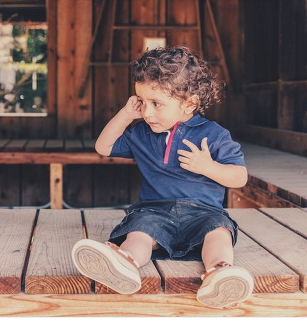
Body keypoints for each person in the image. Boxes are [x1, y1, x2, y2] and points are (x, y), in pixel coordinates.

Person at [71, 46, 254, 309]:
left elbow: (240, 177)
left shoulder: (214, 135)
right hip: (154, 211)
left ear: (189, 103)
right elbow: (104, 147)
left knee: (219, 231)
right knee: (140, 232)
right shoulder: (142, 133)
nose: (146, 112)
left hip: (203, 213)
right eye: (142, 101)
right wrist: (125, 115)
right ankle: (125, 263)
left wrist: (208, 167)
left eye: (156, 104)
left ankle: (219, 273)